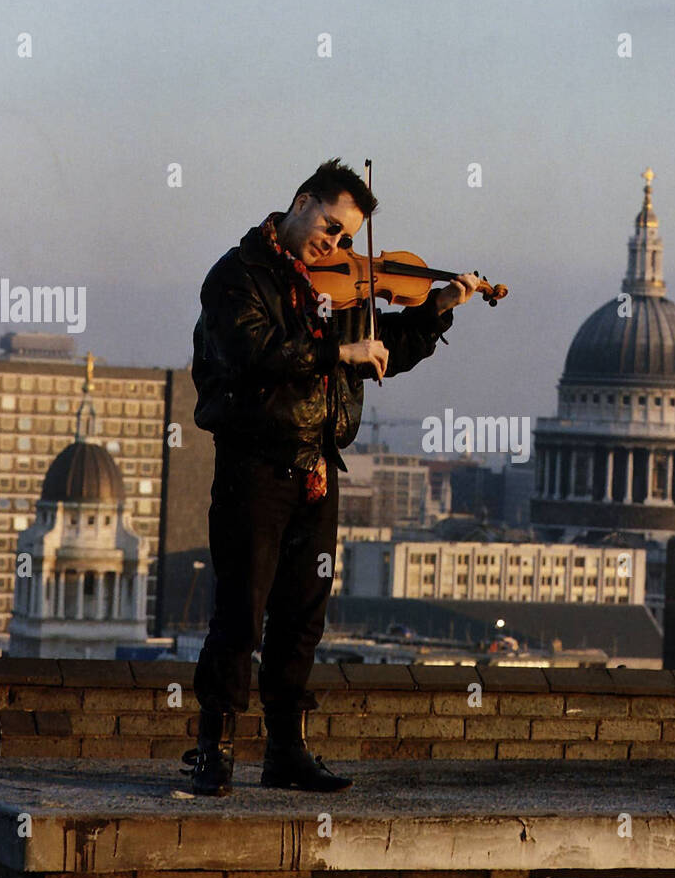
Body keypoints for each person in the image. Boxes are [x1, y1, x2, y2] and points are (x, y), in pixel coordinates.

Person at [183, 159, 480, 796]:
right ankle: (214, 751)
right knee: (241, 611)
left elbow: (382, 351)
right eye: (329, 227)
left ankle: (285, 753)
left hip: (317, 467)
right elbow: (249, 352)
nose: (336, 245)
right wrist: (333, 350)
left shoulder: (339, 289)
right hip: (254, 465)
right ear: (300, 202)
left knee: (302, 616)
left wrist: (438, 307)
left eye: (347, 239)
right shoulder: (237, 275)